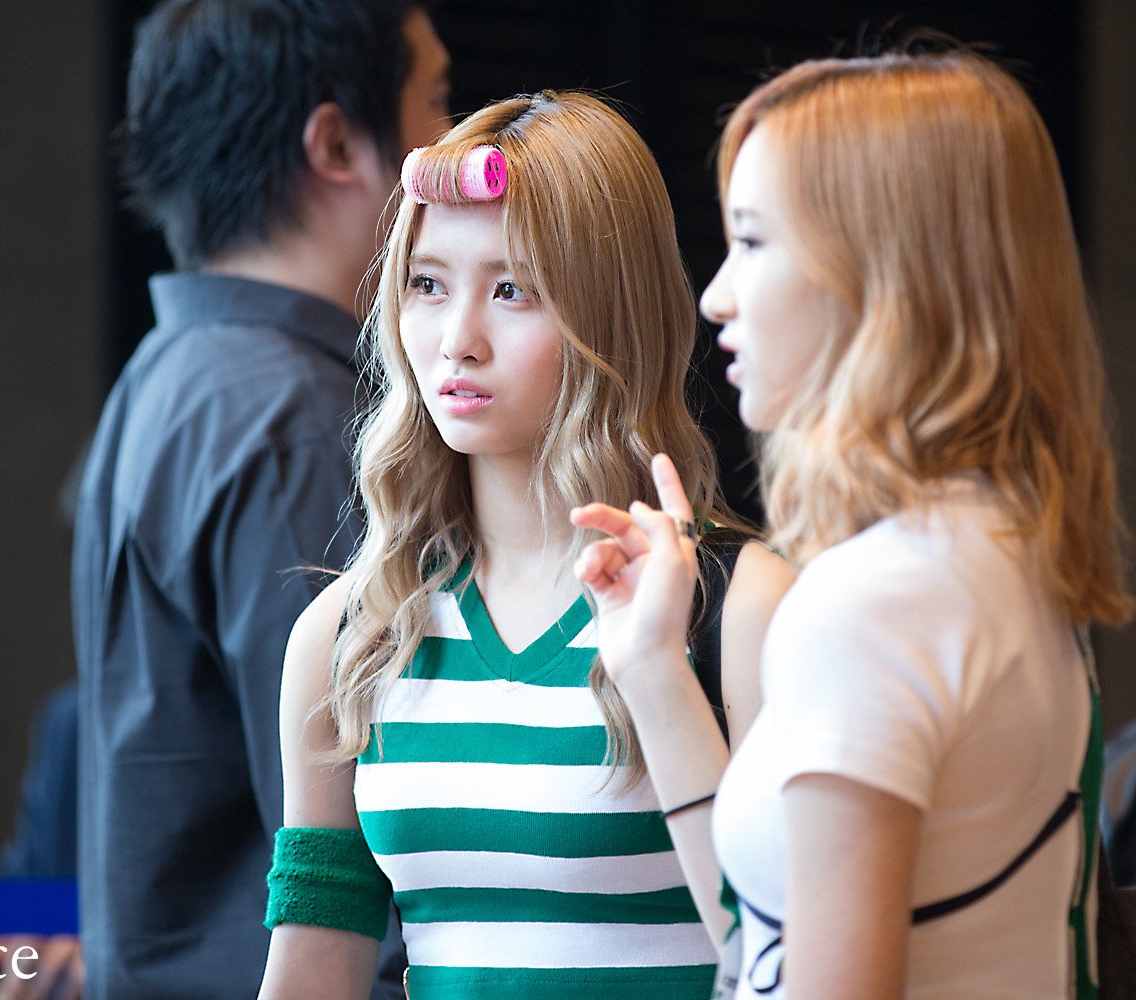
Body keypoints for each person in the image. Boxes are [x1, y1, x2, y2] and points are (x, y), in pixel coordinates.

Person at [573, 49, 1136, 999]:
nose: (715, 295)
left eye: (754, 241)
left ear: (884, 273)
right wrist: (655, 670)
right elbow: (764, 947)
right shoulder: (994, 551)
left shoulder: (877, 599)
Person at [256, 91, 795, 1000]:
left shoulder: (737, 610)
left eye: (513, 290)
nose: (456, 341)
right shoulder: (350, 636)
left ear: (612, 313)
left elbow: (796, 955)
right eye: (427, 284)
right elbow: (312, 974)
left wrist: (660, 676)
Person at [72, 1, 450, 997]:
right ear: (337, 143)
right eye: (438, 100)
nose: (455, 144)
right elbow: (351, 839)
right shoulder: (293, 415)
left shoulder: (170, 373)